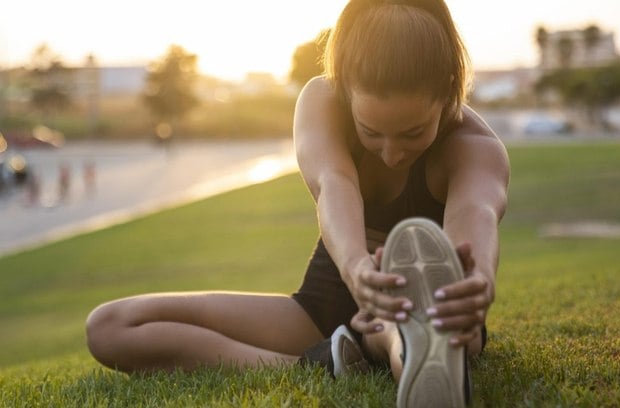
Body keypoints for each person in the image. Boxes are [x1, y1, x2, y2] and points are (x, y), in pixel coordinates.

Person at [85, 0, 509, 406]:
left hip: (428, 308)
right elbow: (333, 184)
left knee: (421, 328)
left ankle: (407, 348)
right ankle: (326, 364)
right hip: (321, 308)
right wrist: (357, 268)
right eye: (371, 132)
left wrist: (477, 282)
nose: (392, 153)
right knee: (111, 326)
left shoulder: (474, 148)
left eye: (413, 133)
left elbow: (476, 218)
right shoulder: (322, 101)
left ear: (449, 90)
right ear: (345, 89)